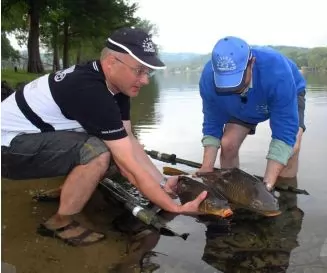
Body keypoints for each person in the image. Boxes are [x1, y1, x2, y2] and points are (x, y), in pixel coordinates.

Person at [1, 27, 207, 247]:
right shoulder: (90, 91)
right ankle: (59, 222)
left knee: (111, 145)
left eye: (148, 72)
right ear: (111, 62)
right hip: (9, 148)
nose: (145, 80)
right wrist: (174, 207)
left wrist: (162, 183)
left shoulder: (116, 87)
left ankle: (66, 192)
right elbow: (128, 165)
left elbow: (129, 141)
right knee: (97, 151)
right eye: (139, 71)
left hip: (30, 137)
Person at [198, 36, 307, 191]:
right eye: (226, 85)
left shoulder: (277, 71)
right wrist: (206, 170)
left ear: (251, 63)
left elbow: (284, 134)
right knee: (228, 144)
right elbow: (212, 123)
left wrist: (266, 188)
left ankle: (286, 197)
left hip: (285, 92)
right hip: (243, 104)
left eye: (237, 82)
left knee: (292, 147)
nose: (234, 90)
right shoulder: (208, 78)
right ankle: (232, 190)